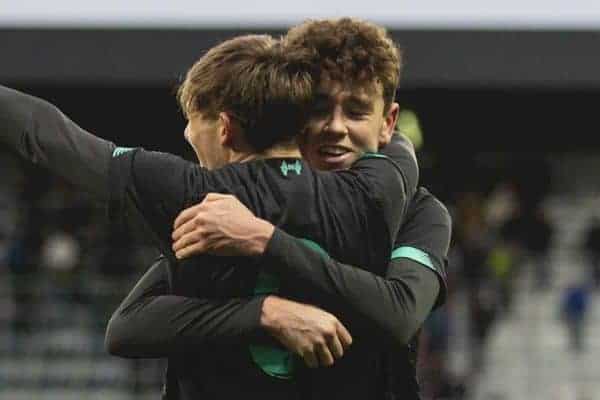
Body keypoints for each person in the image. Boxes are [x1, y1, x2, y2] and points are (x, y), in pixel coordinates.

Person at [0, 31, 418, 399]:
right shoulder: (371, 191)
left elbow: (48, 137)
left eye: (192, 121)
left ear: (225, 127)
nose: (186, 134)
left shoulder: (193, 195)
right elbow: (399, 152)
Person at [108, 18, 451, 400]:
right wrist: (263, 314)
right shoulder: (235, 202)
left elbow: (400, 314)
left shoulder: (418, 212)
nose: (335, 127)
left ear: (387, 123)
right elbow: (129, 326)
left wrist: (263, 240)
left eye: (355, 112)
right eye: (318, 109)